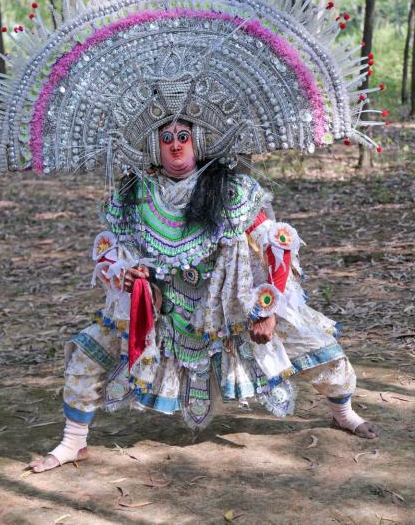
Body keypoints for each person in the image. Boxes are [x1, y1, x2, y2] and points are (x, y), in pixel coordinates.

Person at [29, 119, 378, 473]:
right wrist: (127, 271)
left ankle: (344, 413)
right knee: (87, 353)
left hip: (229, 308)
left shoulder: (232, 191)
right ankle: (73, 441)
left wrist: (269, 310)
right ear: (155, 146)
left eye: (184, 137)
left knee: (319, 347)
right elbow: (112, 251)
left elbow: (276, 242)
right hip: (163, 312)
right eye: (166, 139)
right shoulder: (134, 196)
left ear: (198, 142)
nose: (176, 146)